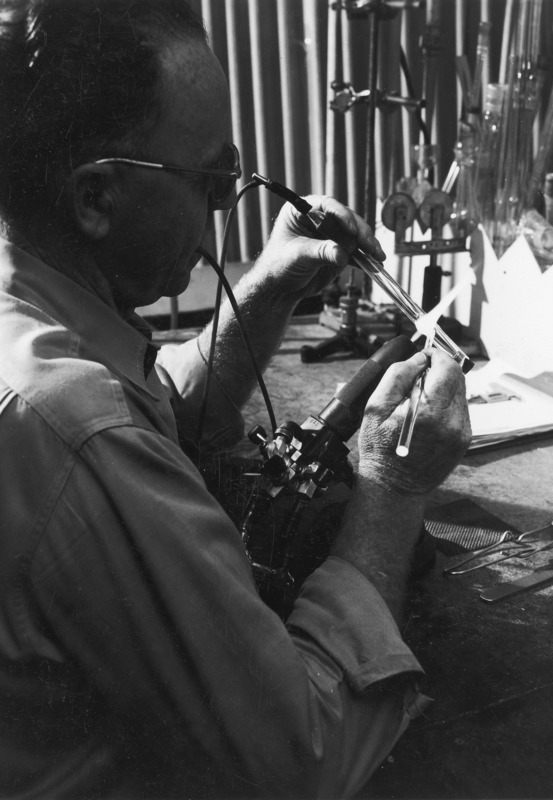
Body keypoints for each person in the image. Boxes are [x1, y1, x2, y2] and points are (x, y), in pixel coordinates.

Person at [0, 1, 471, 797]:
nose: (228, 205)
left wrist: (265, 288)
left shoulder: (32, 304)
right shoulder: (68, 425)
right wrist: (391, 491)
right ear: (95, 197)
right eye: (215, 178)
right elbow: (301, 755)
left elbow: (146, 416)